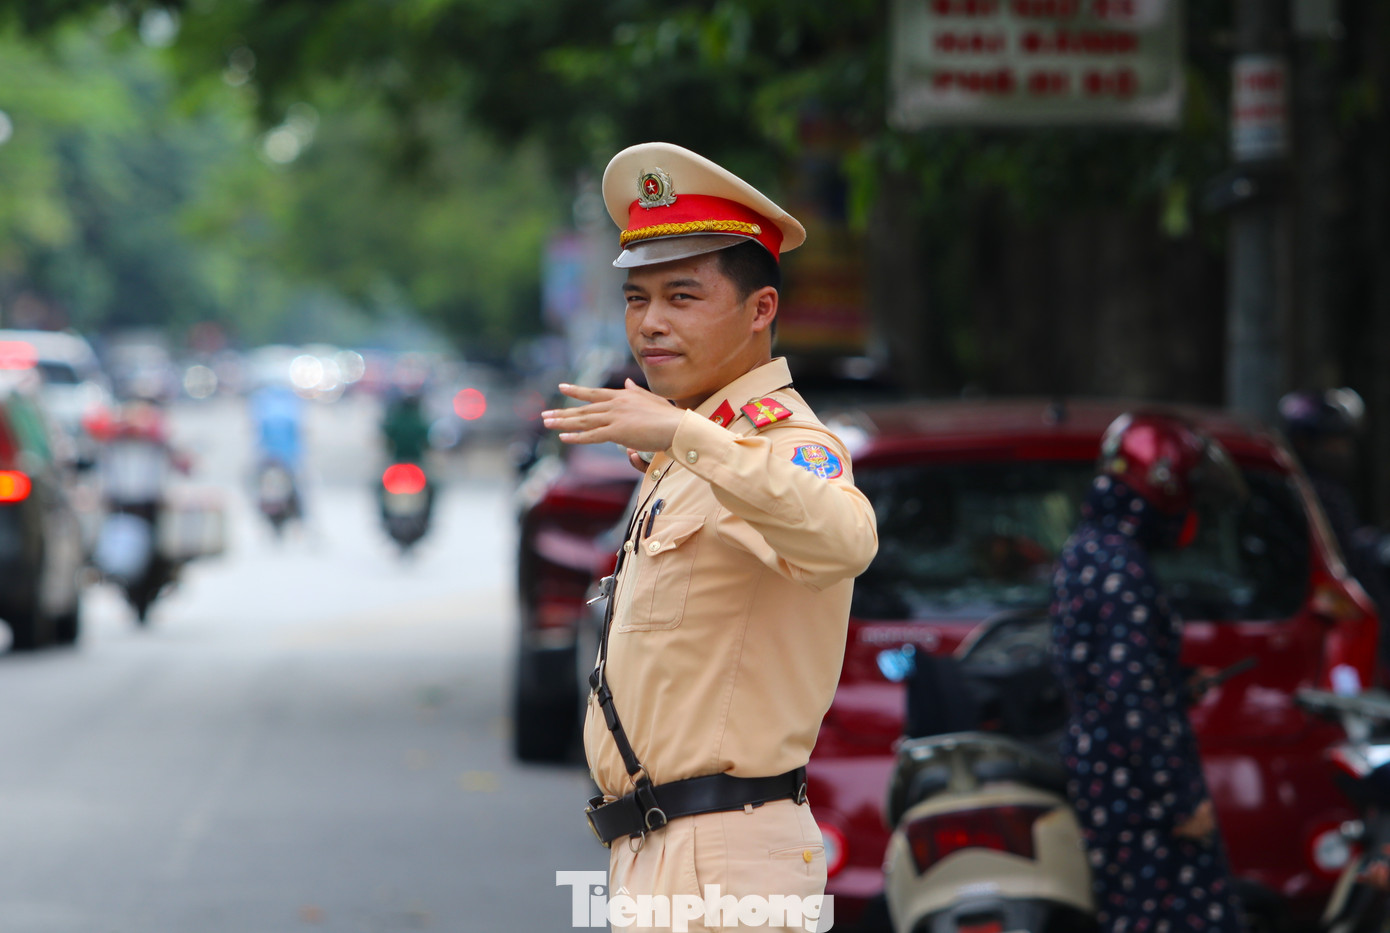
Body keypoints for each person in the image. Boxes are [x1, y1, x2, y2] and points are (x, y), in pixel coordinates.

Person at [541, 142, 878, 931]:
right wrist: (682, 439)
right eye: (637, 298)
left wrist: (686, 438)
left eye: (682, 296)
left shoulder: (777, 441)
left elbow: (844, 540)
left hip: (726, 853)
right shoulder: (698, 441)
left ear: (760, 310)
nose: (650, 323)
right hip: (662, 849)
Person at [1050, 412, 1247, 933]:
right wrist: (1180, 800)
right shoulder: (1123, 566)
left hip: (1107, 775)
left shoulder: (1088, 548)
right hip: (1137, 792)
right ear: (1163, 484)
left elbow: (1106, 672)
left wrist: (1175, 682)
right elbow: (1130, 699)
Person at [1278, 388, 1390, 674]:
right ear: (1304, 443)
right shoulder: (1312, 493)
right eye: (1334, 442)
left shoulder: (1325, 491)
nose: (1344, 451)